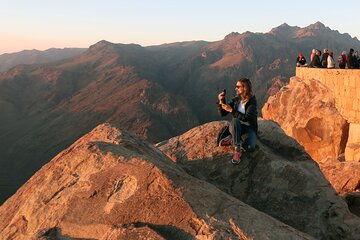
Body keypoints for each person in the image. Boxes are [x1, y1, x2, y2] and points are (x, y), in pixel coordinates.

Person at [217, 78, 258, 164]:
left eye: (238, 87)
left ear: (245, 88)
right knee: (235, 121)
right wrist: (221, 102)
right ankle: (237, 151)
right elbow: (223, 113)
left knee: (250, 147)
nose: (236, 88)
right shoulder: (236, 99)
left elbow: (246, 118)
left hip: (248, 129)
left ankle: (232, 139)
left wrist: (232, 110)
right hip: (235, 126)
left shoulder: (252, 102)